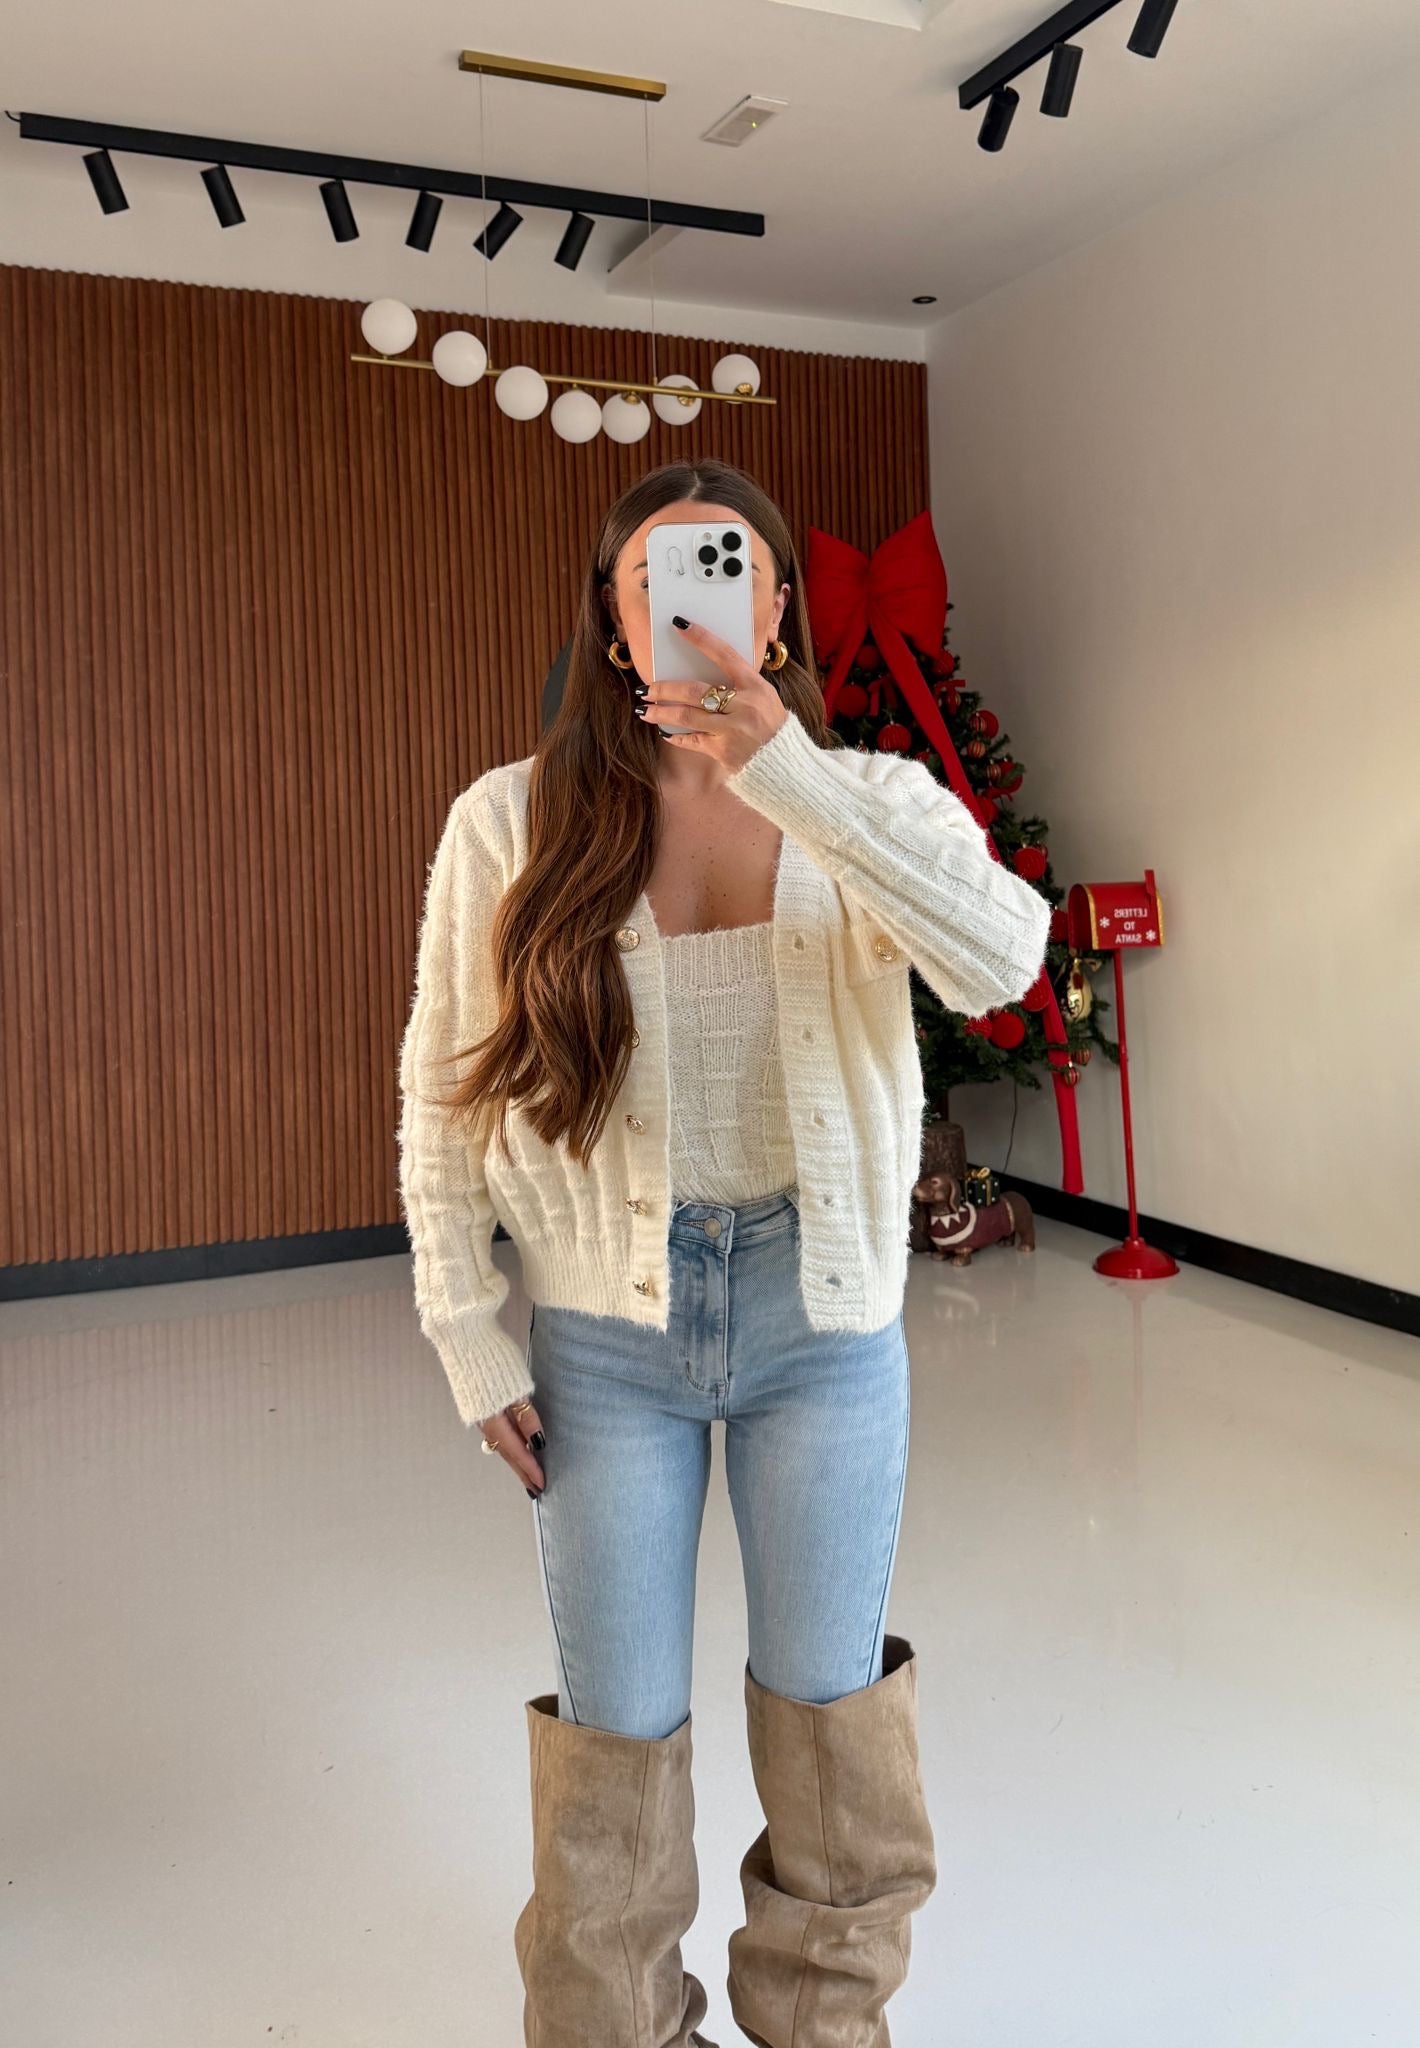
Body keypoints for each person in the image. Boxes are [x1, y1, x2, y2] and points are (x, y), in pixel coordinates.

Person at [397, 457, 1052, 2046]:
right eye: (662, 576)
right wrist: (466, 1327)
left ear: (777, 610)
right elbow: (439, 1086)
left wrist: (794, 777)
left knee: (836, 1724)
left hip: (821, 1328)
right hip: (603, 1338)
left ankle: (823, 2025)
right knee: (613, 1737)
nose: (701, 600)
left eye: (735, 569)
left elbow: (1002, 963)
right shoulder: (508, 819)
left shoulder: (870, 800)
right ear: (615, 621)